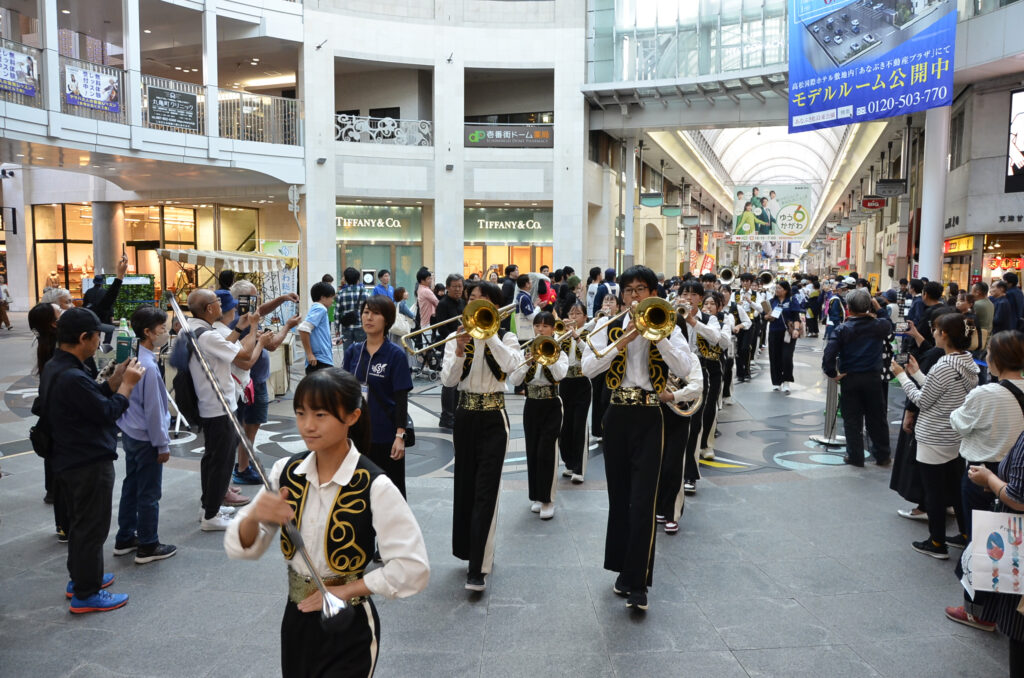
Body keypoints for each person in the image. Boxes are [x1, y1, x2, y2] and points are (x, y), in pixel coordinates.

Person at [224, 368, 429, 678]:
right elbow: (244, 548)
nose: (308, 425)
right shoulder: (285, 472)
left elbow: (412, 568)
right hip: (296, 620)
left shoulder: (375, 485)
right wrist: (254, 515)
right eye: (301, 413)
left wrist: (346, 591)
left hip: (349, 625)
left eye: (320, 415)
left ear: (352, 416)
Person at [581, 265, 693, 611]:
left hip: (649, 416)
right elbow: (588, 367)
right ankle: (621, 569)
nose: (633, 296)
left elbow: (686, 368)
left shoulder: (668, 324)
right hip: (617, 415)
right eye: (628, 290)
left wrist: (657, 337)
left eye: (640, 289)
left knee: (644, 500)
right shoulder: (608, 325)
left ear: (653, 293)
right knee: (620, 497)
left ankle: (639, 580)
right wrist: (622, 340)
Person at [39, 307, 145, 613]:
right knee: (91, 527)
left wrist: (113, 381)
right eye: (97, 336)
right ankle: (87, 592)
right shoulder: (72, 375)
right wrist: (128, 386)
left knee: (80, 524)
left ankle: (82, 578)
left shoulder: (58, 367)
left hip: (69, 457)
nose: (100, 341)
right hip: (87, 460)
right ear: (84, 337)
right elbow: (106, 412)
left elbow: (91, 401)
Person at [440, 281, 521, 592]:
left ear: (495, 306)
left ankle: (479, 568)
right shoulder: (455, 336)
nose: (475, 303)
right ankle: (468, 551)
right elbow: (448, 379)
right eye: (471, 298)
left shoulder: (508, 336)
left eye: (482, 299)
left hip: (494, 416)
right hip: (465, 415)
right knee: (466, 486)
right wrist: (460, 349)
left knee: (487, 489)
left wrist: (489, 337)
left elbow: (514, 371)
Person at [944, 330, 1024, 631]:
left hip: (985, 474)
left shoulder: (986, 393)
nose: (986, 357)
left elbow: (958, 422)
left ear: (996, 359)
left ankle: (980, 612)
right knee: (1012, 542)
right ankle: (1008, 610)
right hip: (1017, 470)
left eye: (989, 352)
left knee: (984, 543)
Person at [892, 313, 979, 559]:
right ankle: (964, 535)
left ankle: (937, 542)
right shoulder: (966, 361)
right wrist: (918, 374)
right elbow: (939, 389)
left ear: (946, 335)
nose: (933, 333)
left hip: (933, 436)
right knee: (954, 485)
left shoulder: (944, 364)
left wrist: (901, 375)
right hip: (954, 434)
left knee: (934, 492)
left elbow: (923, 400)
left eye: (937, 330)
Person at [185, 288, 262, 531]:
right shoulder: (207, 335)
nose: (221, 305)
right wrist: (255, 330)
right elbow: (245, 354)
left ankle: (209, 505)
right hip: (219, 406)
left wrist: (239, 328)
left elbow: (223, 348)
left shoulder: (194, 328)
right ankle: (212, 515)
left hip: (210, 404)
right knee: (221, 461)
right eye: (217, 301)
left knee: (212, 459)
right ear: (209, 308)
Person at [113, 306, 177, 564]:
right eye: (162, 328)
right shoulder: (148, 366)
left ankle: (125, 536)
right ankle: (148, 544)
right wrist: (162, 444)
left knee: (132, 485)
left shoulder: (132, 357)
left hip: (131, 432)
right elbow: (154, 409)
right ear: (148, 332)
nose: (165, 332)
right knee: (149, 492)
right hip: (146, 437)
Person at [228, 280, 302, 486]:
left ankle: (243, 465)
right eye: (253, 297)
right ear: (241, 300)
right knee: (249, 426)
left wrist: (282, 299)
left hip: (251, 382)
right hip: (250, 384)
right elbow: (270, 346)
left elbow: (260, 310)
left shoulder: (245, 316)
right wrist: (287, 326)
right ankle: (242, 468)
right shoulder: (241, 322)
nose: (257, 302)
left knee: (248, 425)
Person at [343, 296, 413, 498]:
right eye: (366, 312)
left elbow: (401, 398)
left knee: (390, 491)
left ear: (387, 319)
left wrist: (400, 436)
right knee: (357, 494)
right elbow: (345, 393)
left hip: (386, 435)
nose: (369, 317)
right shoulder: (353, 352)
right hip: (356, 435)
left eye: (375, 313)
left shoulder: (395, 354)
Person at [821, 289, 893, 467]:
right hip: (873, 378)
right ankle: (882, 455)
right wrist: (879, 308)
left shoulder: (842, 329)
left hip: (850, 378)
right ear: (869, 306)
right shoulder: (879, 325)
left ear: (848, 308)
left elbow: (828, 356)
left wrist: (833, 374)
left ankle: (855, 456)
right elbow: (889, 322)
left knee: (852, 419)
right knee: (877, 418)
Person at [510, 312, 568, 520]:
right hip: (532, 404)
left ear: (552, 329)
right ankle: (537, 495)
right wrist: (527, 362)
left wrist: (547, 358)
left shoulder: (558, 350)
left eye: (545, 326)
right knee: (533, 450)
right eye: (538, 326)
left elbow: (560, 374)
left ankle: (548, 499)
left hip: (552, 403)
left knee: (547, 451)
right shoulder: (525, 350)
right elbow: (515, 380)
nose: (541, 330)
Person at [29, 302, 67, 539]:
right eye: (60, 311)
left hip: (50, 412)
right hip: (58, 413)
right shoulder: (57, 349)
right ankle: (63, 523)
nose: (65, 310)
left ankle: (51, 492)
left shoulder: (44, 344)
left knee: (55, 458)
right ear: (53, 322)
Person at [558, 302, 593, 483]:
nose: (573, 317)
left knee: (579, 424)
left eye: (577, 313)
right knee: (566, 424)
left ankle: (579, 467)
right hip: (565, 381)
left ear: (585, 317)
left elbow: (591, 352)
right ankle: (569, 463)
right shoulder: (561, 333)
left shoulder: (588, 334)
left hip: (582, 381)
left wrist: (576, 338)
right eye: (571, 313)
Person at [432, 274, 465, 430]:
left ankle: (455, 413)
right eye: (455, 286)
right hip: (449, 344)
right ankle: (446, 416)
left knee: (458, 381)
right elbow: (441, 326)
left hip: (462, 345)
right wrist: (453, 340)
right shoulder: (443, 304)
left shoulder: (463, 303)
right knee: (448, 383)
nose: (458, 289)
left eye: (460, 286)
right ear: (448, 287)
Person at [767, 280, 804, 393]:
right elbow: (766, 316)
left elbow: (796, 317)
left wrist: (796, 330)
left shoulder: (792, 300)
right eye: (776, 288)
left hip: (788, 333)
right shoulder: (772, 301)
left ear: (786, 290)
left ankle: (787, 381)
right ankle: (777, 382)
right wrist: (768, 317)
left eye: (779, 288)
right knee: (774, 357)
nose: (777, 290)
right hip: (774, 332)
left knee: (787, 357)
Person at [336, 268, 367, 350]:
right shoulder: (365, 291)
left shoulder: (341, 293)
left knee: (347, 352)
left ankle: (348, 363)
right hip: (361, 326)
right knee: (361, 352)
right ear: (358, 279)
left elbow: (337, 313)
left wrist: (337, 329)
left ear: (345, 279)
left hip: (346, 327)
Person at [514, 275, 537, 340]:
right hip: (526, 334)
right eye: (530, 280)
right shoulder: (524, 297)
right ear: (527, 284)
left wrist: (534, 306)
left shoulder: (520, 295)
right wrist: (538, 308)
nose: (531, 282)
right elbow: (530, 317)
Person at [416, 268, 438, 335]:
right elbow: (437, 303)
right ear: (422, 280)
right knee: (429, 342)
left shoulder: (420, 288)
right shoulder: (426, 291)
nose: (430, 280)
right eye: (428, 279)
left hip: (424, 321)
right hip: (428, 322)